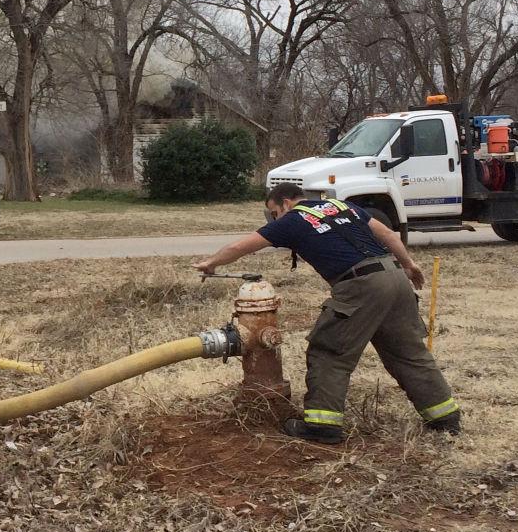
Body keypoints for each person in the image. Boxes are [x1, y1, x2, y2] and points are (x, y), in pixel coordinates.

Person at [193, 181, 459, 443]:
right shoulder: (341, 206)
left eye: (274, 213)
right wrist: (409, 265)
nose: (274, 218)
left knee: (328, 352)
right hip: (395, 277)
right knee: (408, 352)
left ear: (285, 203)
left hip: (360, 285)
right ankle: (445, 416)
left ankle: (322, 425)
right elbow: (388, 234)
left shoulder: (292, 219)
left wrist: (212, 263)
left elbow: (241, 246)